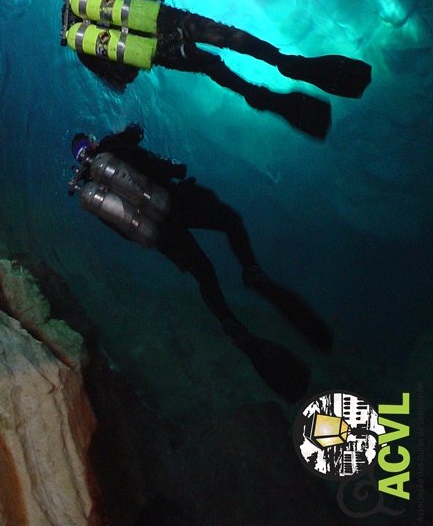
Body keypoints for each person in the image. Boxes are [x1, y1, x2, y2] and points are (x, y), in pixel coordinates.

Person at [68, 124, 333, 402]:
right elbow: (139, 134)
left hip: (161, 235)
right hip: (175, 198)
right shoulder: (112, 146)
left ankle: (230, 324)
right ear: (92, 143)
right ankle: (252, 271)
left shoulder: (92, 193)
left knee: (204, 275)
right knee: (229, 220)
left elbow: (123, 231)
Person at [61, 0, 372, 139]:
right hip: (171, 20)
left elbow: (124, 77)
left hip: (163, 52)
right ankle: (286, 62)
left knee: (211, 66)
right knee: (229, 37)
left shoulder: (85, 48)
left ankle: (258, 95)